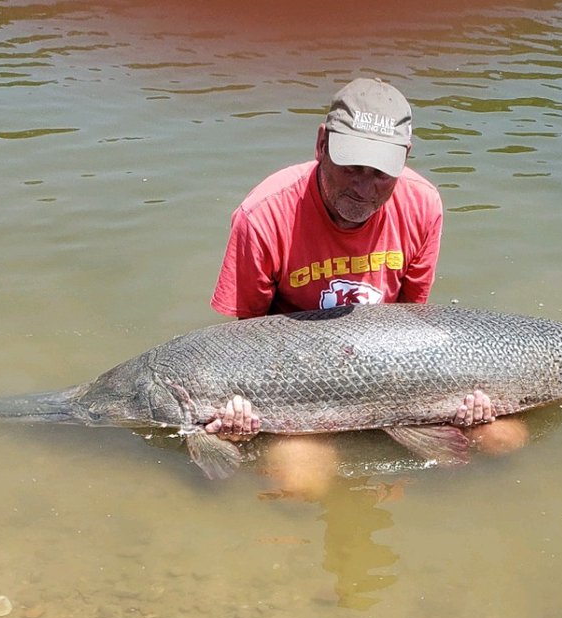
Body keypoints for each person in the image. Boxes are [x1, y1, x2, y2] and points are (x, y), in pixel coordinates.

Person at [206, 77, 525, 479]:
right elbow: (246, 345)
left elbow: (412, 324)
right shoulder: (261, 216)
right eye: (351, 167)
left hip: (388, 369)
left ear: (404, 158)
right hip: (299, 381)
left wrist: (459, 400)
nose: (363, 187)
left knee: (505, 438)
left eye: (380, 173)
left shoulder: (423, 204)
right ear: (321, 144)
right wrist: (239, 412)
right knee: (300, 482)